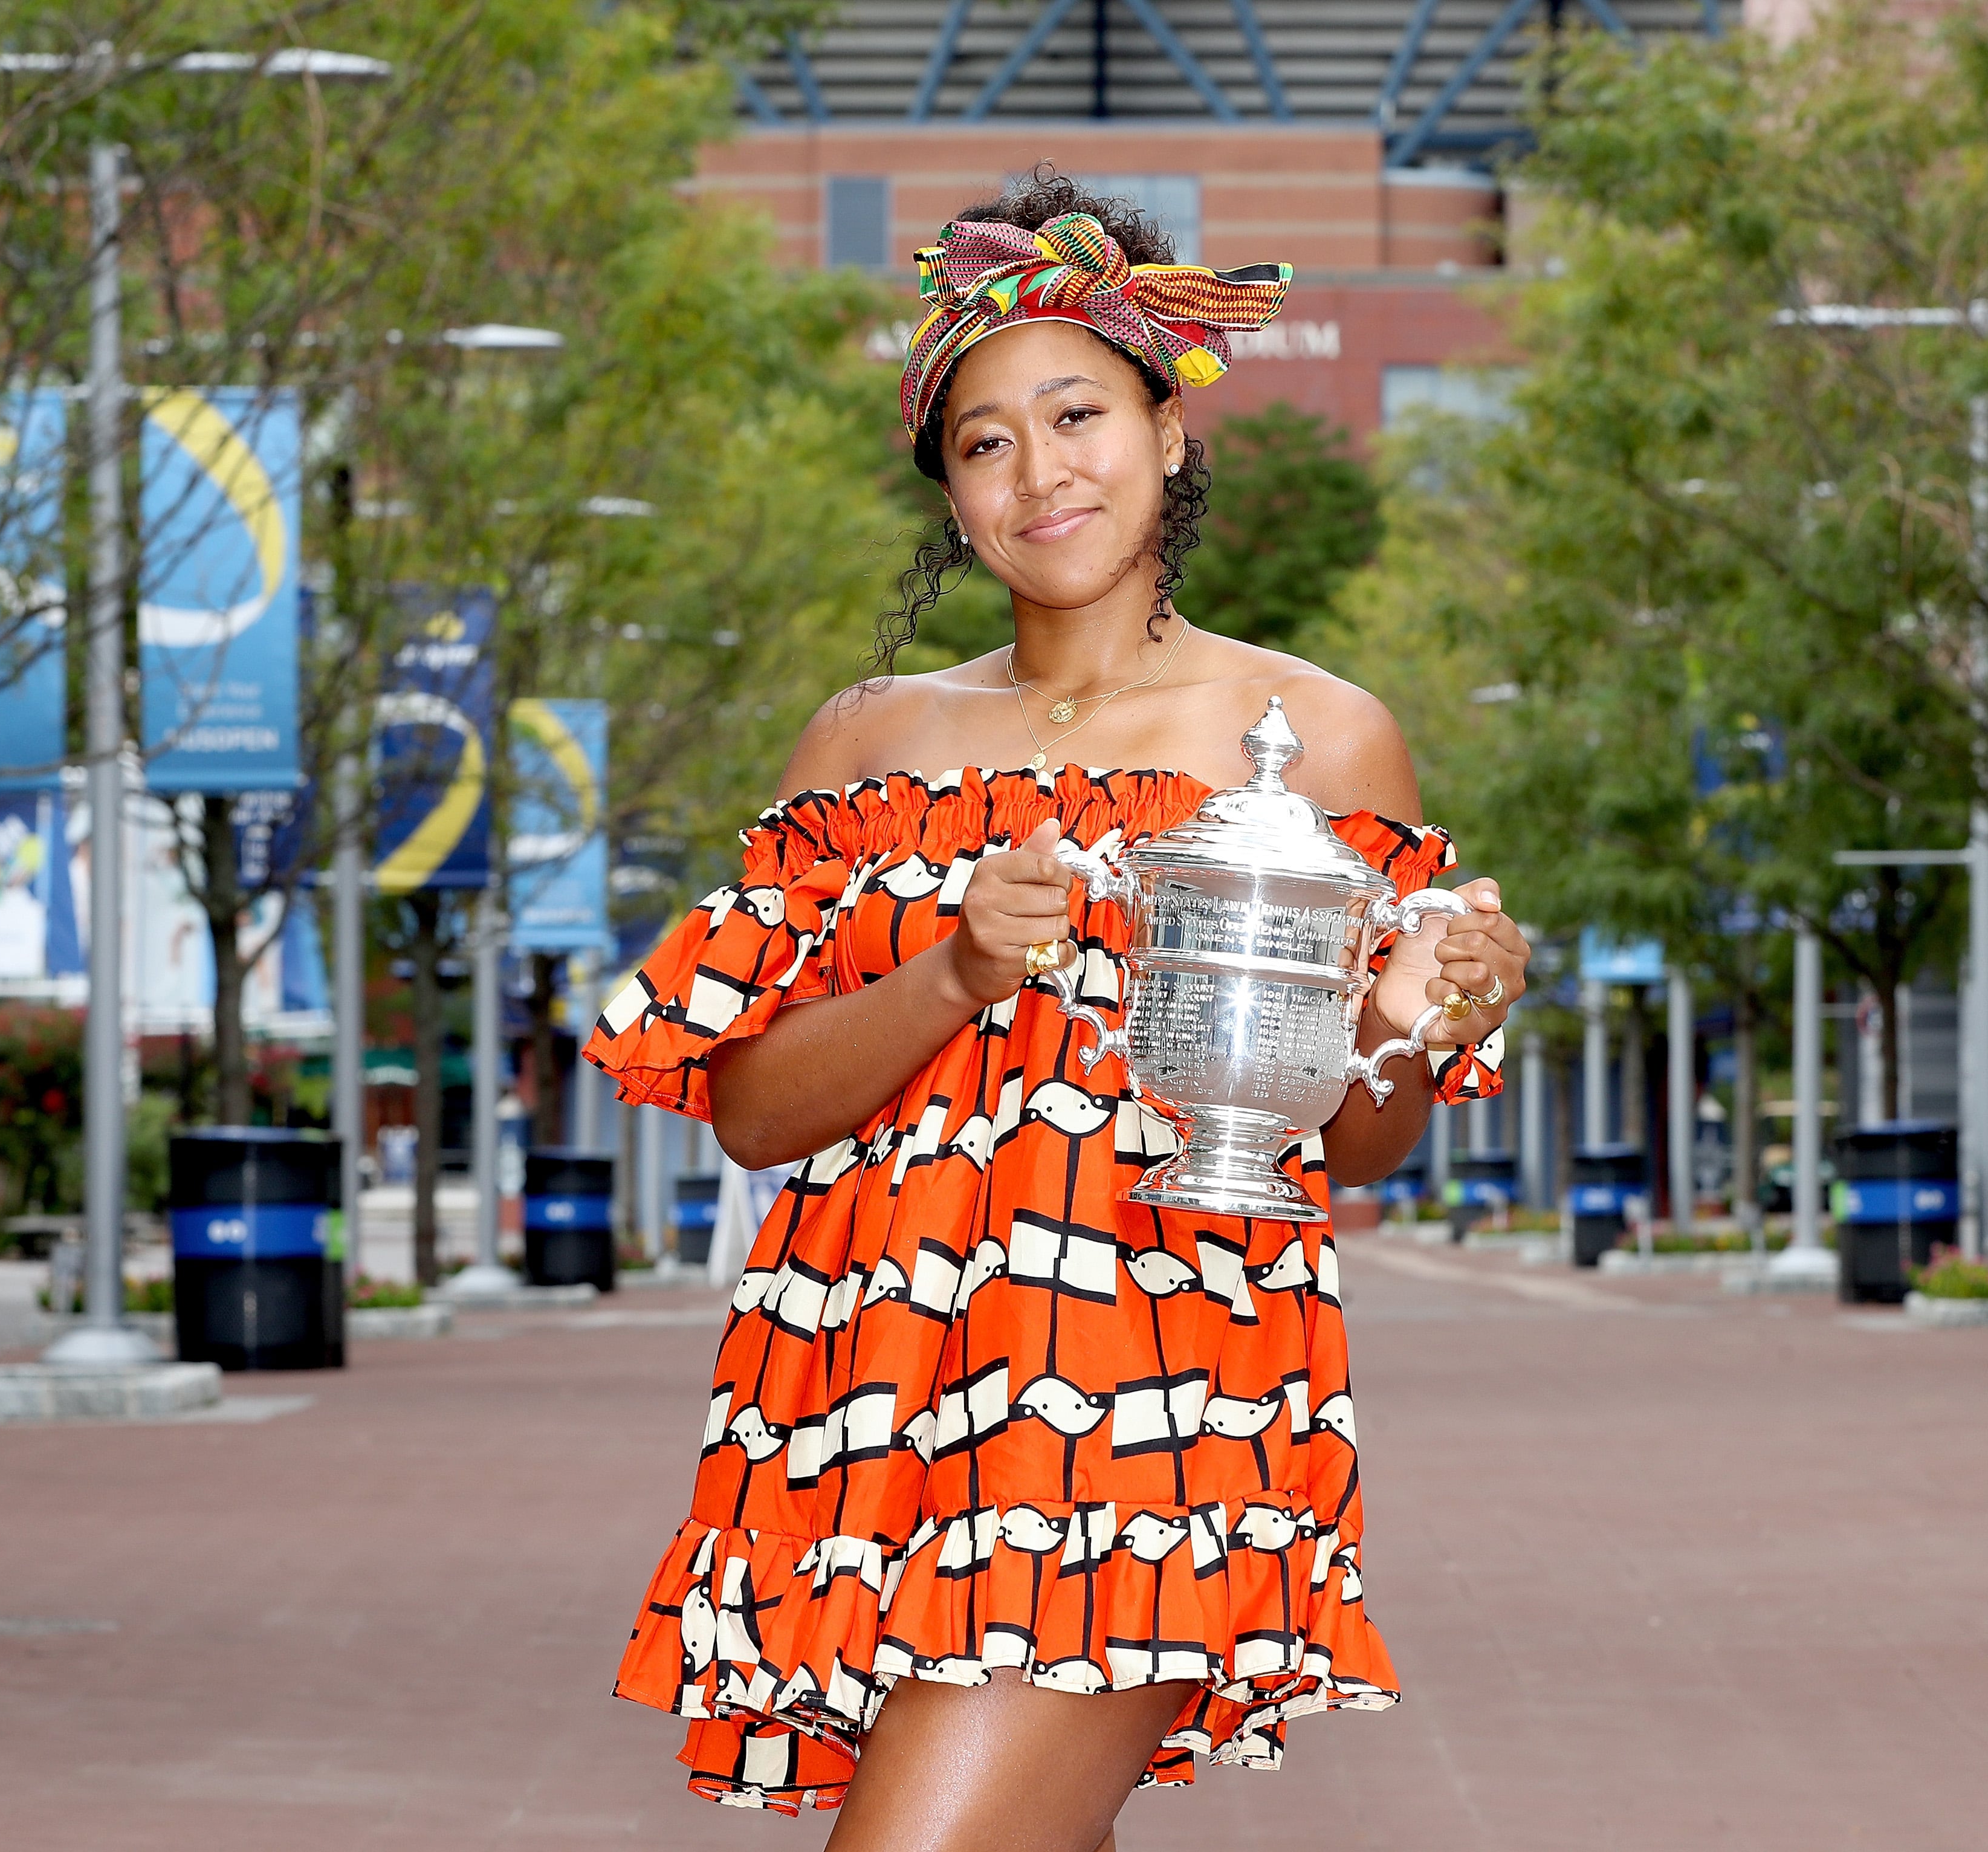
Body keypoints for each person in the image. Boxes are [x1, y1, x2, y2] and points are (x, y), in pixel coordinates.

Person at [583, 169, 1530, 1852]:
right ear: (950, 494)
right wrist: (952, 970)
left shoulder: (1312, 737)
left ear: (1169, 434)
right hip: (873, 1401)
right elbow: (749, 1112)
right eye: (984, 440)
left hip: (1150, 1393)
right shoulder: (863, 749)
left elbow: (1354, 1139)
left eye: (1076, 412)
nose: (1039, 470)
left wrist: (1425, 1006)